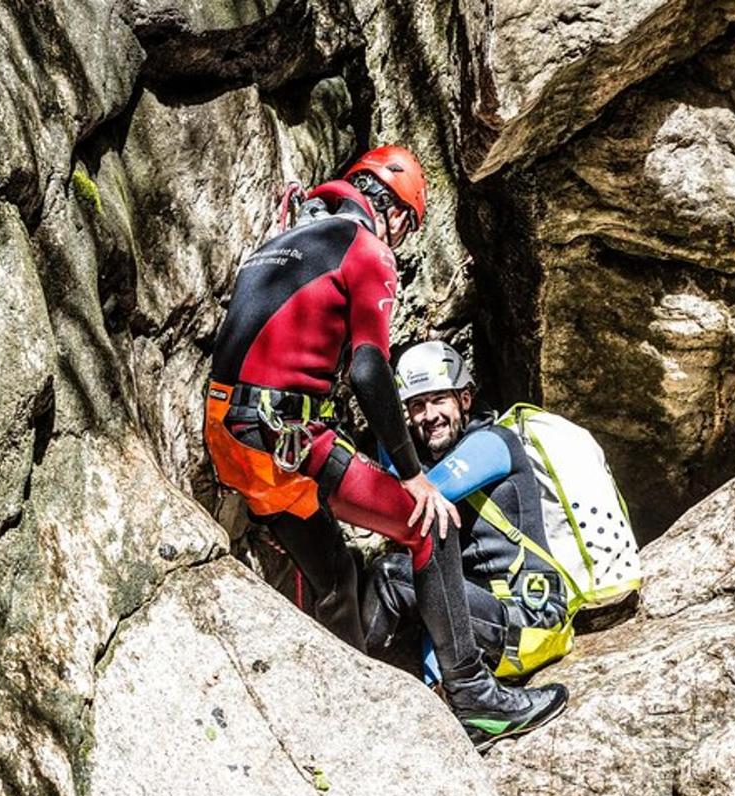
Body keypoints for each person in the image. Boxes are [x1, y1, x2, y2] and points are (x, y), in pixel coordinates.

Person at [202, 146, 567, 750]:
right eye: (408, 226)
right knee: (430, 524)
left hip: (231, 439)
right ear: (394, 212)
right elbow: (369, 372)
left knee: (336, 578)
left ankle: (341, 711)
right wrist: (411, 474)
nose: (402, 239)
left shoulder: (278, 244)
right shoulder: (365, 250)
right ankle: (476, 698)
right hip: (285, 434)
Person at [363, 341, 569, 680]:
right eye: (417, 406)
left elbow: (403, 505)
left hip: (529, 616)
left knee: (390, 574)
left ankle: (345, 673)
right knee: (430, 585)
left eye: (439, 400)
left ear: (465, 400)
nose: (429, 416)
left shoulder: (495, 443)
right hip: (476, 616)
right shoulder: (429, 464)